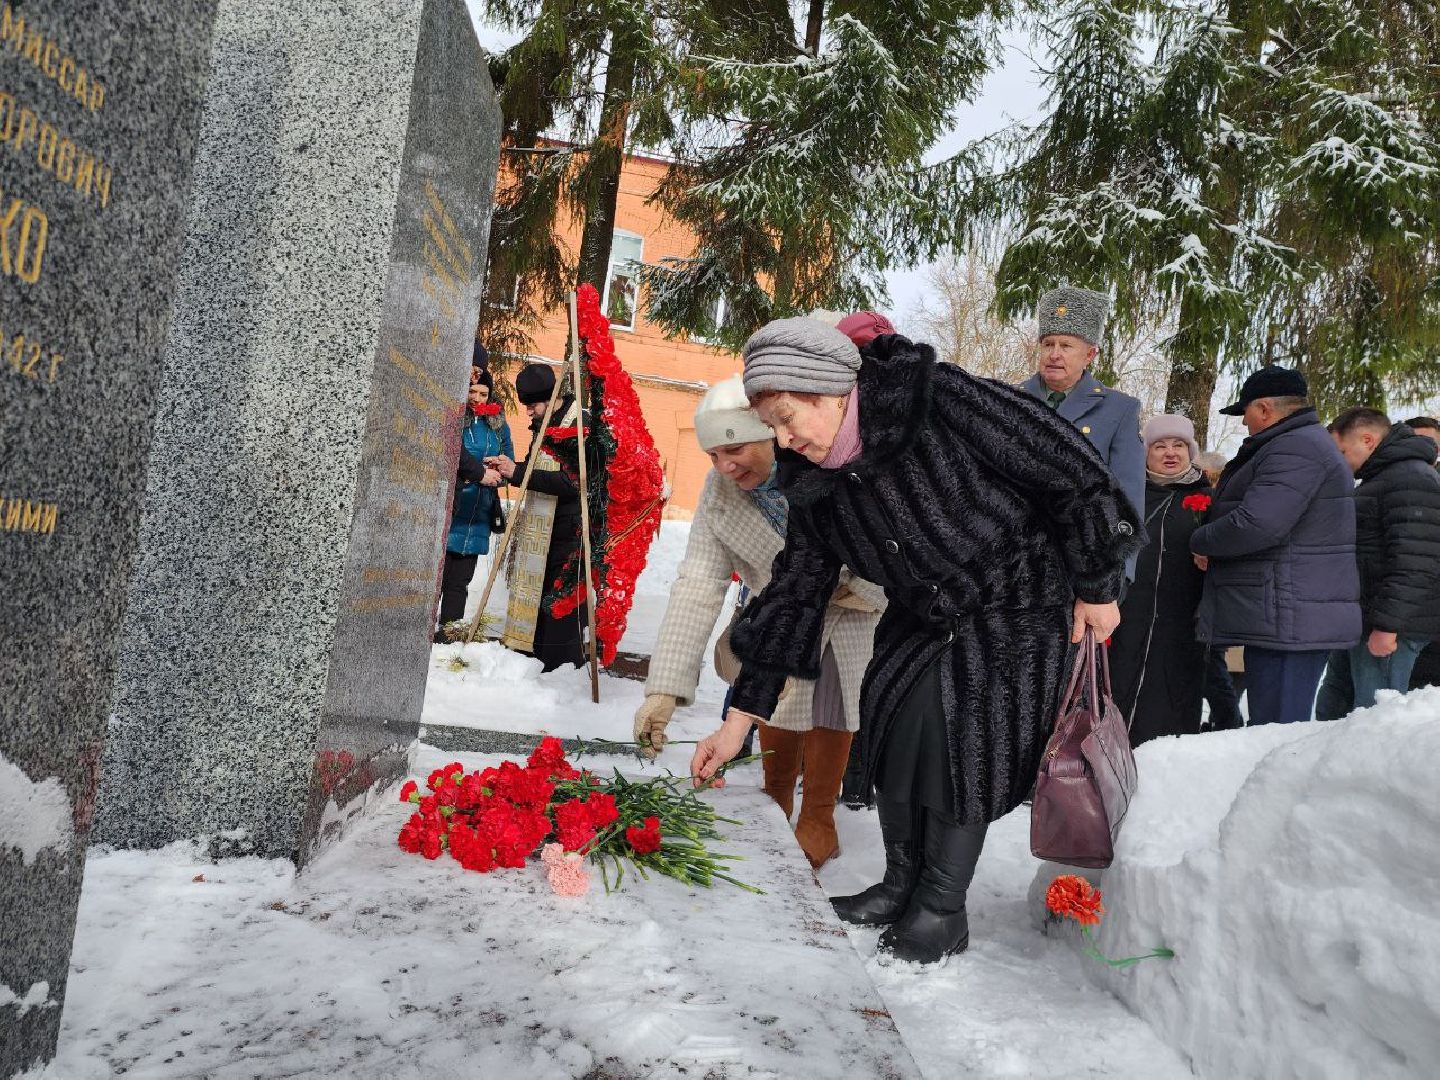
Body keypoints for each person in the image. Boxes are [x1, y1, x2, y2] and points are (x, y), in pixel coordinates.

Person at [689, 318, 1141, 964]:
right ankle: (900, 883)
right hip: (922, 606)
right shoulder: (812, 477)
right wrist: (739, 719)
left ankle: (940, 905)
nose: (783, 440)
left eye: (788, 418)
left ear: (829, 392)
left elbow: (1071, 469)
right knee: (892, 718)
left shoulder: (937, 399)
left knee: (963, 738)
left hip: (1015, 597)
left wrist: (1098, 583)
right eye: (773, 426)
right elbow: (796, 591)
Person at [633, 377, 884, 868]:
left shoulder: (823, 465)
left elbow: (887, 541)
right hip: (777, 613)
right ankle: (775, 798)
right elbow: (700, 579)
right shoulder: (721, 491)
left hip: (850, 609)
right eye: (712, 455)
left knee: (832, 700)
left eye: (736, 447)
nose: (725, 465)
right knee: (774, 697)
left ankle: (818, 817)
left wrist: (857, 585)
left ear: (770, 434)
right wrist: (663, 689)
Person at [1190, 366, 1360, 725]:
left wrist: (1198, 539)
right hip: (1287, 613)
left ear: (1264, 409)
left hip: (1289, 619)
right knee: (1274, 730)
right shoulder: (1299, 444)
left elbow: (1258, 523)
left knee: (1277, 733)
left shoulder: (1294, 449)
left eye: (1246, 413)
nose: (1243, 424)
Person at [1312, 409, 1440, 719]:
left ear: (1367, 440)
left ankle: (1363, 771)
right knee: (1340, 710)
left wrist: (1387, 626)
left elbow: (1415, 561)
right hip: (1368, 620)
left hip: (1392, 628)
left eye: (1341, 451)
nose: (1338, 460)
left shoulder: (1410, 479)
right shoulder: (1385, 478)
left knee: (1373, 717)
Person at [1019, 286, 1145, 567]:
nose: (1054, 354)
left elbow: (1128, 501)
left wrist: (1117, 580)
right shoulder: (1011, 399)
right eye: (1048, 344)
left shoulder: (1119, 409)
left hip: (1080, 564)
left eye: (1066, 346)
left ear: (1089, 355)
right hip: (1015, 563)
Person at [485, 363, 598, 671]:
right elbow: (537, 467)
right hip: (545, 533)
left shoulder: (581, 423)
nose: (529, 412)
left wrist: (518, 472)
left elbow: (574, 481)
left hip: (573, 533)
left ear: (550, 399)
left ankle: (562, 671)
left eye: (532, 405)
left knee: (559, 606)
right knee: (541, 604)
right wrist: (509, 467)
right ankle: (538, 667)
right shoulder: (545, 424)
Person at [1108, 417, 1210, 744]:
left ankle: (1168, 774)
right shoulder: (1126, 496)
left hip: (1182, 619)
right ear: (1145, 453)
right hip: (1127, 616)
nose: (1170, 453)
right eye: (1159, 446)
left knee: (1173, 695)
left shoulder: (1209, 499)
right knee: (1118, 687)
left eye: (1178, 445)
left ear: (1190, 451)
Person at [436, 367, 512, 639]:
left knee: (460, 582)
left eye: (484, 393)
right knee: (436, 579)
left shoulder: (498, 424)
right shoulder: (455, 418)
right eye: (472, 391)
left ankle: (448, 635)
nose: (477, 397)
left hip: (478, 515)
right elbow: (446, 455)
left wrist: (499, 470)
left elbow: (509, 464)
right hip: (453, 508)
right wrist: (477, 473)